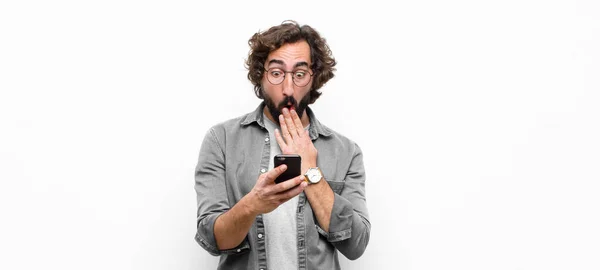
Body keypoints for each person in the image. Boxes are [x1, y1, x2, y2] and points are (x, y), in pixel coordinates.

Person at [194, 20, 370, 270]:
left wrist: (311, 172)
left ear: (313, 78)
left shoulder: (346, 151)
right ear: (261, 76)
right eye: (277, 73)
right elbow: (213, 240)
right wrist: (252, 204)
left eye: (299, 74)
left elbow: (356, 245)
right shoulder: (221, 140)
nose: (288, 88)